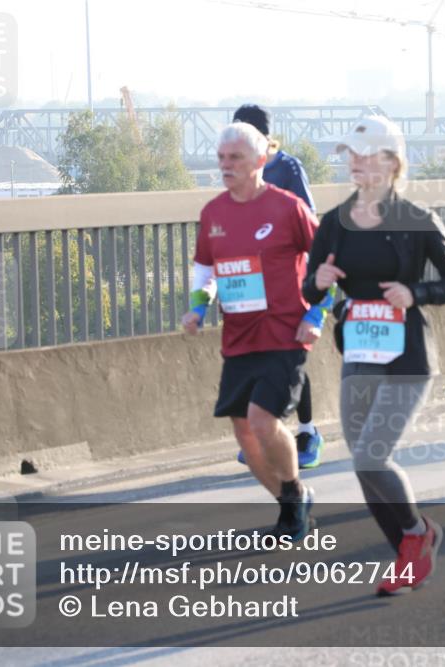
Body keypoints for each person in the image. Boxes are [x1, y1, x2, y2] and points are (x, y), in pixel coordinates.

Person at [303, 116, 445, 595]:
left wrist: (414, 292)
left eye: (364, 154)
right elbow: (309, 290)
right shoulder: (334, 223)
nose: (353, 162)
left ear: (392, 162)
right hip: (360, 350)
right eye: (350, 155)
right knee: (362, 461)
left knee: (373, 457)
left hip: (408, 357)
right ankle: (407, 549)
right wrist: (316, 284)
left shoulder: (415, 220)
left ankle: (418, 536)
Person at [182, 122, 323, 538]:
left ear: (260, 161)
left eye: (236, 158)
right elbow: (207, 269)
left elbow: (327, 264)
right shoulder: (213, 213)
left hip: (286, 334)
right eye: (221, 158)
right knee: (244, 433)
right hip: (238, 336)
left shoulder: (288, 207)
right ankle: (291, 500)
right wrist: (197, 308)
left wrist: (315, 317)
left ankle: (293, 499)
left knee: (262, 421)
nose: (226, 165)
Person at [232, 104, 327, 467]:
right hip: (252, 281)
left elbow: (309, 223)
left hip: (290, 278)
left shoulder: (288, 169)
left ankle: (307, 432)